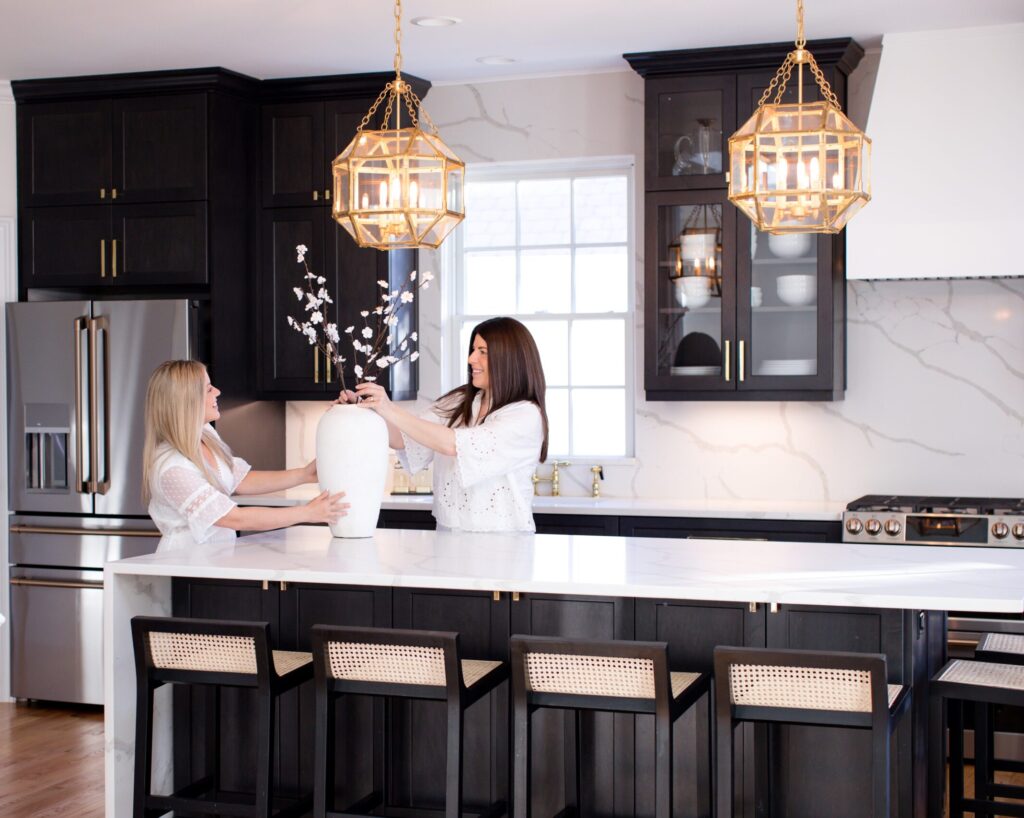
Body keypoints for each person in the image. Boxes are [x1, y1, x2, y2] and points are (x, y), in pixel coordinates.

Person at [352, 316, 548, 533]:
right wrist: (364, 407)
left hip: (503, 544)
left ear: (508, 359)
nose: (472, 358)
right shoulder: (460, 401)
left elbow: (454, 445)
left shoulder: (525, 415)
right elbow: (401, 437)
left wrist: (389, 408)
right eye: (473, 350)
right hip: (449, 535)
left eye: (483, 352)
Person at [143, 360, 347, 552]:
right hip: (182, 564)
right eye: (208, 389)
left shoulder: (205, 434)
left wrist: (303, 475)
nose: (217, 392)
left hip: (214, 558)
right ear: (187, 401)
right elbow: (235, 518)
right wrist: (307, 513)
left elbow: (240, 480)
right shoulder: (172, 469)